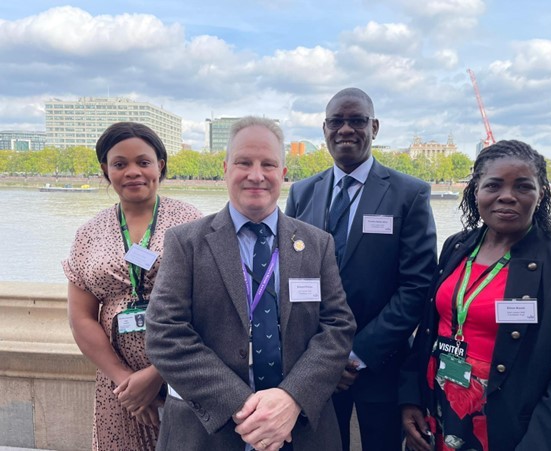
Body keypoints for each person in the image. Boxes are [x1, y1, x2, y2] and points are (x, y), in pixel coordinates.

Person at [144, 116, 356, 451]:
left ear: (283, 174)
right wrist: (244, 408)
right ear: (226, 168)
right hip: (208, 434)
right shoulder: (187, 243)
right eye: (244, 162)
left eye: (268, 164)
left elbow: (338, 328)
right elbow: (164, 334)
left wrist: (291, 399)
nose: (256, 175)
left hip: (300, 431)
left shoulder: (317, 244)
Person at [400, 140, 551, 451]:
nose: (507, 196)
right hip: (443, 417)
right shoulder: (457, 247)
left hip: (513, 432)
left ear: (542, 192)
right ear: (475, 190)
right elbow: (431, 327)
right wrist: (411, 398)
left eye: (523, 186)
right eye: (493, 185)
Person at [285, 87, 438, 451]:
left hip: (380, 366)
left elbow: (417, 287)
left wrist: (354, 354)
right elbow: (290, 275)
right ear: (324, 129)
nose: (346, 130)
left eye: (357, 121)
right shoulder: (302, 192)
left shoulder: (408, 194)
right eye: (336, 122)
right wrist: (325, 355)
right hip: (314, 366)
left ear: (375, 127)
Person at [63, 122, 202, 450]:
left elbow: (211, 308)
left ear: (160, 166)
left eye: (143, 162)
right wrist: (127, 382)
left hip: (184, 375)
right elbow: (81, 317)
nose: (133, 172)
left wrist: (156, 377)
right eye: (120, 164)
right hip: (118, 388)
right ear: (105, 170)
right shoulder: (89, 233)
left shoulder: (192, 223)